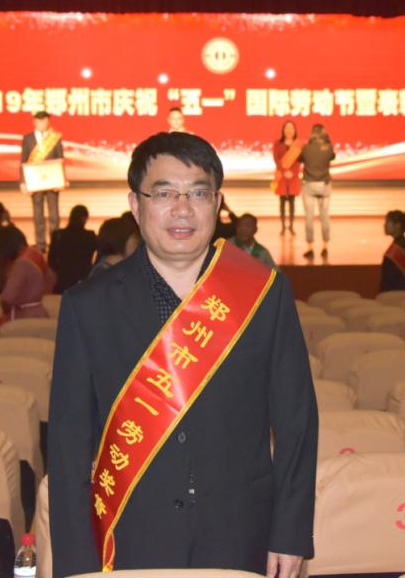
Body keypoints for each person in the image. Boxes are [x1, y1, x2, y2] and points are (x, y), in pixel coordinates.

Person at [48, 132, 316, 578]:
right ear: (136, 206)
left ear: (217, 204)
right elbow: (67, 444)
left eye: (198, 193)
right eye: (164, 193)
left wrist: (290, 533)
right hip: (128, 534)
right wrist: (77, 564)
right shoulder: (87, 306)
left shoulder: (263, 293)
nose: (182, 209)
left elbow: (296, 421)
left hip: (242, 535)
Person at [20, 111, 65, 254]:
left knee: (54, 215)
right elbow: (23, 160)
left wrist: (61, 179)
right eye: (39, 121)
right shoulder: (27, 138)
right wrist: (23, 182)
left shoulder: (55, 137)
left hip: (52, 181)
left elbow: (60, 159)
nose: (42, 123)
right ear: (34, 122)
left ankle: (55, 244)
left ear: (48, 121)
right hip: (35, 182)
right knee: (38, 215)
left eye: (45, 121)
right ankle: (40, 245)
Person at [0, 224, 57, 327]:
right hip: (39, 312)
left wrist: (5, 307)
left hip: (23, 317)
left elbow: (8, 298)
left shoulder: (21, 263)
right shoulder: (36, 254)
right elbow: (52, 278)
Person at [300, 123, 335, 260]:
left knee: (309, 218)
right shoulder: (328, 148)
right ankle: (325, 246)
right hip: (324, 185)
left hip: (309, 184)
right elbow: (332, 156)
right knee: (324, 217)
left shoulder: (306, 148)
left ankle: (310, 247)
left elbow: (300, 159)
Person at [49, 205, 97, 293]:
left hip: (63, 281)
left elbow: (51, 261)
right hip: (83, 279)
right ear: (84, 218)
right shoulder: (90, 236)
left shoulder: (58, 235)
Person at [272, 121, 302, 235]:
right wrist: (285, 171)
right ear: (283, 130)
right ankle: (283, 227)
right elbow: (276, 159)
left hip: (293, 178)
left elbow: (299, 161)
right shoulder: (277, 143)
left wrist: (292, 172)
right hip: (281, 176)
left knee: (292, 203)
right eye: (287, 128)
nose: (289, 130)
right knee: (282, 202)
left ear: (294, 130)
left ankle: (291, 226)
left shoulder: (298, 145)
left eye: (291, 128)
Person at [380, 210, 405, 291]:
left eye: (388, 222)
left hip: (393, 293)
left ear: (398, 225)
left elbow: (388, 278)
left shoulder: (398, 247)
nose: (384, 225)